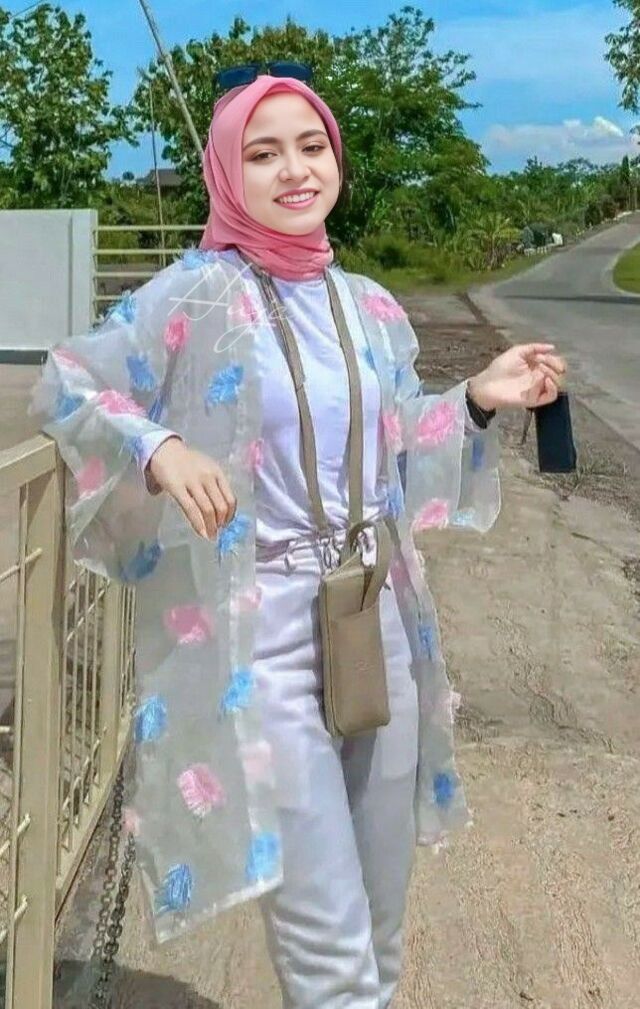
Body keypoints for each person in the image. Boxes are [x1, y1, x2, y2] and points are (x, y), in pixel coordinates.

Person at [29, 69, 567, 1007]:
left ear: (336, 161)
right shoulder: (195, 296)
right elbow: (67, 384)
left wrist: (479, 398)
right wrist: (157, 446)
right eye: (263, 152)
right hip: (266, 631)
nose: (294, 170)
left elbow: (400, 446)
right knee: (329, 947)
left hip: (375, 614)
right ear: (225, 173)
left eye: (311, 146)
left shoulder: (367, 305)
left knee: (380, 923)